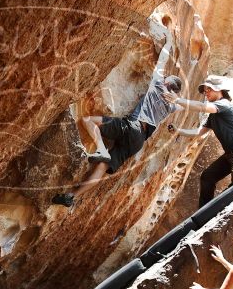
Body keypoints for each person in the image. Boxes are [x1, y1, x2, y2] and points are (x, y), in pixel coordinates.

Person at [52, 46, 183, 207]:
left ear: (167, 82)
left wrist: (168, 46)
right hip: (138, 142)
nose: (163, 79)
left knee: (88, 120)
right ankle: (72, 196)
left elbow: (161, 61)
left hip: (132, 126)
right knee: (101, 167)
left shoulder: (157, 85)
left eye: (166, 79)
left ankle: (101, 149)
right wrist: (176, 99)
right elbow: (182, 107)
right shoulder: (170, 107)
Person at [163, 78, 233, 207]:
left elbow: (201, 107)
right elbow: (199, 132)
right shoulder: (213, 115)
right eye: (204, 90)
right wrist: (178, 131)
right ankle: (204, 212)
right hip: (231, 153)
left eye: (209, 89)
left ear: (220, 90)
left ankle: (223, 209)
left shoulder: (224, 104)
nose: (206, 92)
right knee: (207, 177)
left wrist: (177, 100)